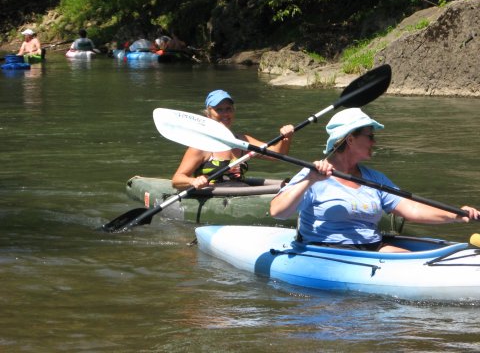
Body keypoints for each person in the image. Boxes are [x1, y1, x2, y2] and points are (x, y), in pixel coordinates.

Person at [270, 108, 479, 253]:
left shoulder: (374, 178)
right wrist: (310, 179)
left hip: (372, 248)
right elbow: (278, 212)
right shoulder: (314, 174)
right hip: (328, 251)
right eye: (370, 136)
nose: (374, 141)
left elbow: (412, 209)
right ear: (350, 139)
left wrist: (454, 215)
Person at [172, 89, 295, 190]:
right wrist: (193, 181)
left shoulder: (242, 140)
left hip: (241, 192)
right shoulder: (201, 145)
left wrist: (286, 137)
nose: (225, 114)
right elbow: (177, 179)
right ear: (208, 114)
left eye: (228, 109)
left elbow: (277, 154)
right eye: (219, 109)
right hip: (215, 195)